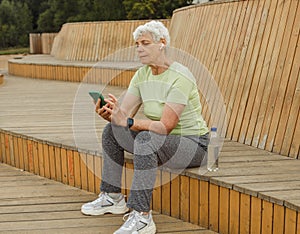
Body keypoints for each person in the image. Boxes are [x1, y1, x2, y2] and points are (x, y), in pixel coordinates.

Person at [81, 20, 209, 234]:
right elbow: (124, 117)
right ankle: (112, 197)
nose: (139, 48)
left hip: (194, 145)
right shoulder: (142, 75)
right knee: (112, 132)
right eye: (137, 43)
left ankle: (142, 217)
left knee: (145, 139)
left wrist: (128, 122)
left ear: (162, 43)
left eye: (145, 43)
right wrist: (111, 114)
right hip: (162, 142)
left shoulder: (181, 76)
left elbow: (165, 126)